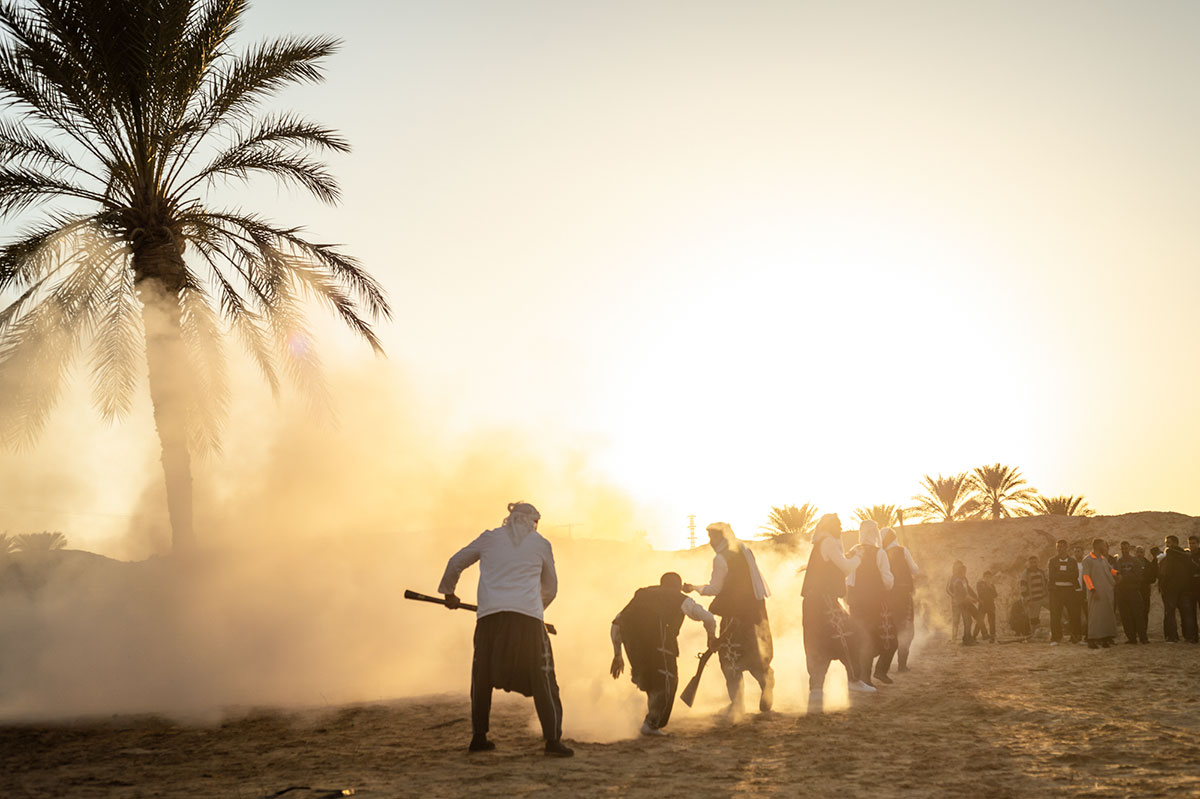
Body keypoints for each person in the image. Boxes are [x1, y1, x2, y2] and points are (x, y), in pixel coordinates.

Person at [438, 501, 573, 757]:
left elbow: (455, 562)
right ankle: (553, 742)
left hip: (490, 618)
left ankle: (479, 737)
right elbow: (551, 588)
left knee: (482, 677)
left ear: (509, 520)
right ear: (533, 522)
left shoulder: (489, 538)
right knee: (543, 678)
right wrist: (535, 608)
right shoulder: (541, 543)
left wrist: (448, 594)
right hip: (528, 622)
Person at [611, 572, 717, 736]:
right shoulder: (679, 598)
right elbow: (709, 618)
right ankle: (651, 724)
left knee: (652, 684)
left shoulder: (641, 595)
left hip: (637, 651)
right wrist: (711, 638)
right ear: (677, 586)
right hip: (661, 648)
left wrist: (618, 654)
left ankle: (647, 719)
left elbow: (618, 622)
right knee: (667, 683)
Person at [687, 522, 775, 715]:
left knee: (729, 658)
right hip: (754, 613)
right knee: (755, 653)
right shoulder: (745, 550)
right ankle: (765, 684)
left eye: (712, 537)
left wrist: (694, 588)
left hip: (733, 614)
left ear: (722, 538)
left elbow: (715, 589)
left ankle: (737, 703)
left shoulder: (720, 558)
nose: (710, 542)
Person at [801, 513, 876, 709]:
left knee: (818, 643)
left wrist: (849, 557)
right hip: (824, 602)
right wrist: (858, 557)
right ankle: (853, 680)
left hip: (814, 604)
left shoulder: (823, 543)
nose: (841, 528)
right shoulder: (829, 542)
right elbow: (845, 567)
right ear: (830, 526)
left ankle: (816, 693)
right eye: (838, 524)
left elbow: (837, 563)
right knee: (851, 636)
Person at [847, 521, 895, 686]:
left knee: (863, 640)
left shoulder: (854, 551)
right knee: (890, 638)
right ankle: (878, 671)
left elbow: (849, 580)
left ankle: (865, 677)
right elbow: (887, 580)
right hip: (876, 603)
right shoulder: (879, 553)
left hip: (856, 605)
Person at [880, 527, 921, 671]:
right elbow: (915, 570)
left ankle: (883, 664)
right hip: (904, 597)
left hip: (888, 597)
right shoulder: (903, 551)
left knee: (890, 628)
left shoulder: (882, 554)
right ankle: (902, 664)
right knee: (906, 629)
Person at [1160, 535, 1198, 644]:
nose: (1167, 545)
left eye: (1169, 542)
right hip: (1185, 588)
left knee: (1170, 613)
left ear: (1175, 543)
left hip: (1172, 588)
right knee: (1187, 613)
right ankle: (1189, 636)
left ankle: (1172, 637)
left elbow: (1167, 572)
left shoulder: (1170, 555)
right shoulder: (1186, 555)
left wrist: (1163, 585)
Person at [1081, 538, 1117, 649]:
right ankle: (1091, 640)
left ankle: (1105, 638)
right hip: (1095, 593)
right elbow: (1086, 576)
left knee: (1106, 615)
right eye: (1103, 545)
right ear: (1097, 546)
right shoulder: (1087, 560)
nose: (1105, 547)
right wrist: (1092, 590)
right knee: (1094, 617)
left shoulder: (1103, 559)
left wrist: (1118, 573)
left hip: (1106, 592)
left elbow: (1110, 569)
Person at [1046, 540, 1082, 646]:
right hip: (1056, 591)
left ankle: (1076, 637)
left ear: (1066, 547)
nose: (1059, 549)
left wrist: (1061, 574)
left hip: (1070, 591)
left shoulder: (1072, 561)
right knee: (1055, 615)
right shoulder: (1052, 561)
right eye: (1058, 547)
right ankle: (1056, 638)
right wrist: (1066, 575)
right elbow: (1052, 576)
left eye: (1061, 547)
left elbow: (1074, 575)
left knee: (1074, 614)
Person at [1113, 541, 1149, 644]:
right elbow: (1116, 575)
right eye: (1122, 549)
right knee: (1125, 616)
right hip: (1122, 592)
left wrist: (1124, 577)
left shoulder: (1135, 561)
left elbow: (1138, 577)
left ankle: (1143, 637)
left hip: (1133, 591)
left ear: (1129, 549)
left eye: (1126, 548)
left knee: (1138, 615)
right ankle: (1131, 638)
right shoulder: (1118, 562)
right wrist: (1124, 578)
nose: (1124, 550)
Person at [947, 561, 984, 644]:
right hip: (958, 603)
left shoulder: (964, 578)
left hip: (964, 602)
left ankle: (967, 637)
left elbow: (968, 589)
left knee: (967, 620)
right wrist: (955, 596)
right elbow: (948, 590)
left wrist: (975, 597)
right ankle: (955, 639)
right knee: (957, 621)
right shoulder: (954, 579)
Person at [1019, 556, 1050, 635]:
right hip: (1033, 599)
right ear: (1029, 563)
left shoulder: (1041, 572)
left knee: (1055, 609)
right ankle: (1033, 634)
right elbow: (1023, 586)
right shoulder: (1025, 573)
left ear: (1037, 562)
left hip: (1043, 597)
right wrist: (1027, 599)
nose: (1033, 564)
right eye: (1031, 562)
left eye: (1035, 562)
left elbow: (1046, 583)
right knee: (1033, 618)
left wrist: (1047, 594)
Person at [975, 570, 998, 642]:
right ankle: (974, 635)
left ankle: (992, 637)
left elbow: (995, 595)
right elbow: (981, 594)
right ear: (983, 577)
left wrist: (990, 587)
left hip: (991, 605)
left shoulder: (992, 585)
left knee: (992, 621)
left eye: (989, 577)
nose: (988, 578)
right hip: (983, 604)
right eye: (986, 577)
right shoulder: (979, 584)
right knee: (979, 620)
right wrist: (988, 587)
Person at [1138, 545, 1156, 635]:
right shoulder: (1131, 563)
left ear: (1144, 553)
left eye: (1141, 552)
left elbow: (1153, 578)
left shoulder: (1148, 564)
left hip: (1145, 590)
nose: (1139, 554)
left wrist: (1144, 579)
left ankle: (1143, 631)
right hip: (1134, 591)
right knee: (1135, 611)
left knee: (1145, 610)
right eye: (1137, 552)